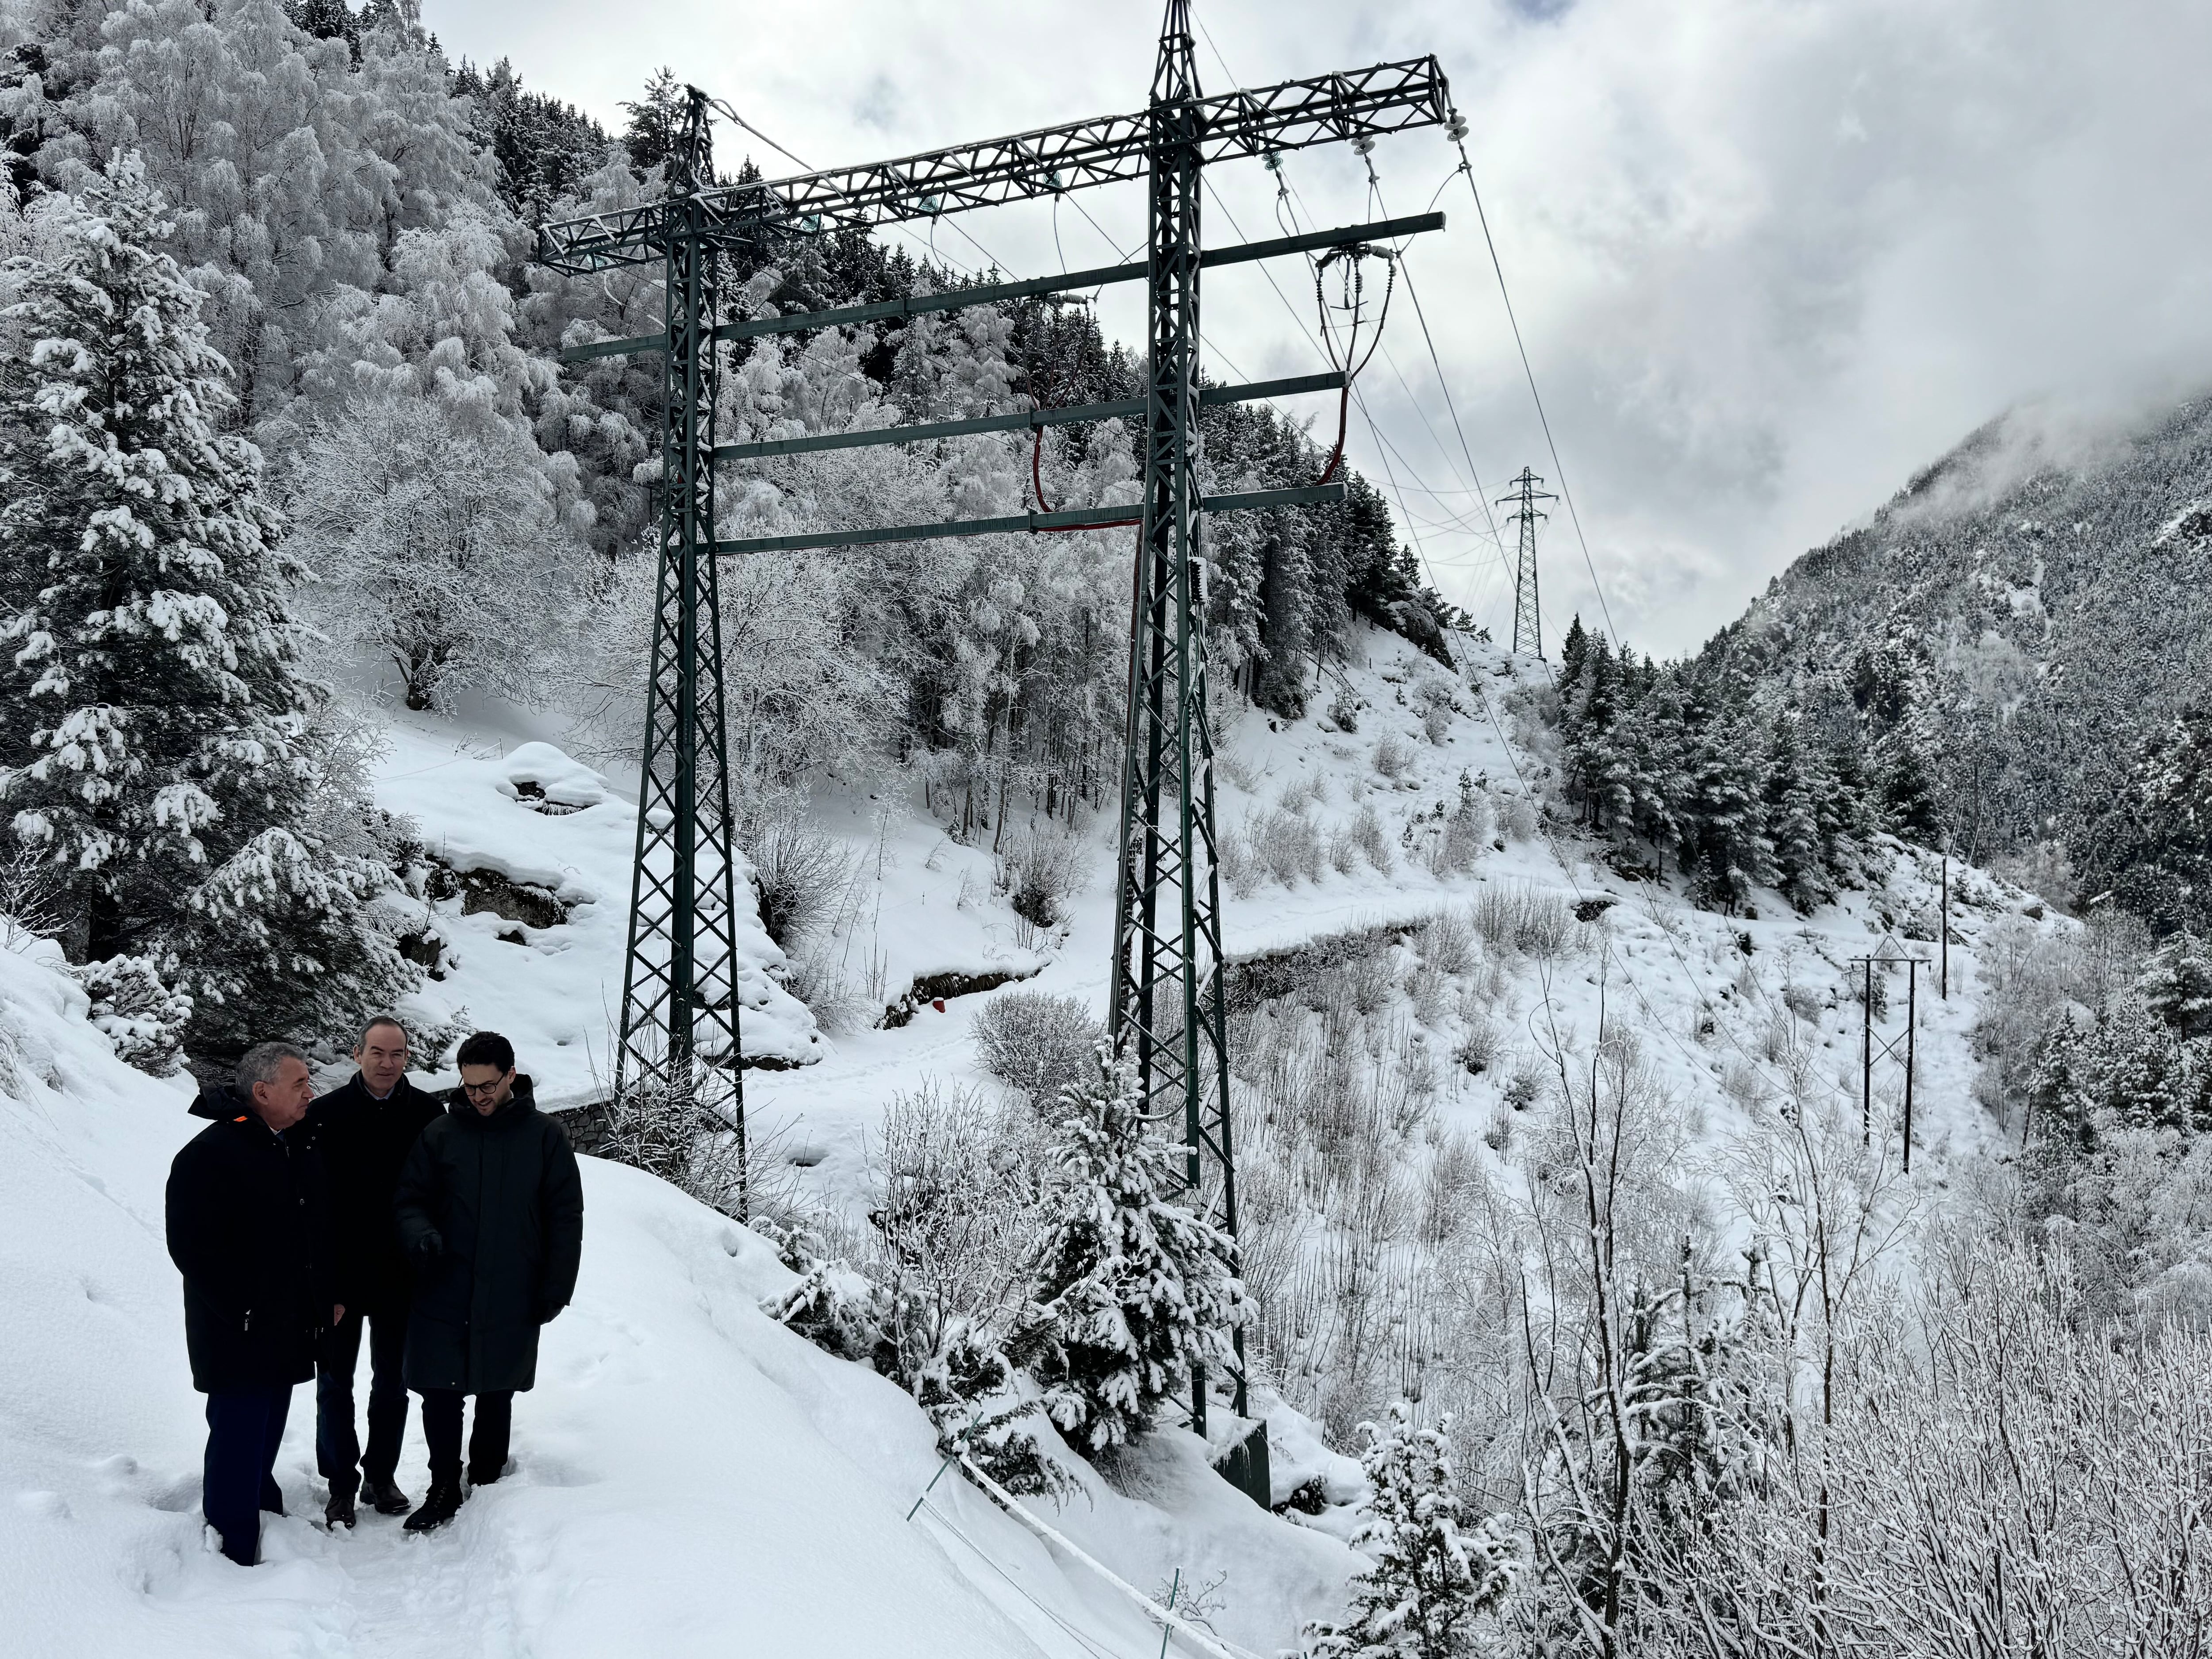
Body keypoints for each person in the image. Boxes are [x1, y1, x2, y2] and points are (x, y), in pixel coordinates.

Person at [394, 1030, 584, 1533]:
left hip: (512, 1287)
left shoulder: (544, 1137)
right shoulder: (440, 1134)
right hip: (443, 1283)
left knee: (497, 1390)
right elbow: (409, 1199)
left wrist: (555, 1287)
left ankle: (486, 1481)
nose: (478, 1096)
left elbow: (565, 1217)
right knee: (439, 1391)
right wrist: (421, 1234)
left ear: (511, 1076)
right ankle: (441, 1486)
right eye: (469, 1086)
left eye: (488, 1086)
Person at [165, 1042, 338, 1567]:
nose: (312, 1093)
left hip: (282, 1326)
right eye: (300, 1085)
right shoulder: (210, 1155)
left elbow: (311, 1230)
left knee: (264, 1436)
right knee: (239, 1440)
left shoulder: (288, 1143)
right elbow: (194, 1249)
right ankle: (231, 1552)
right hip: (236, 1332)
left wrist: (323, 1294)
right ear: (262, 1093)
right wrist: (242, 1311)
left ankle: (264, 1519)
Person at [308, 1014, 443, 1528]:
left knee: (393, 1382)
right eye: (378, 1053)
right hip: (339, 1278)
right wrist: (323, 1281)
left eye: (398, 1054)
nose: (388, 1064)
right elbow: (313, 1205)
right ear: (357, 1052)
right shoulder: (323, 1115)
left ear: (408, 1057)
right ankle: (340, 1483)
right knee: (333, 1384)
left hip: (402, 1278)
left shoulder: (430, 1115)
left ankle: (380, 1476)